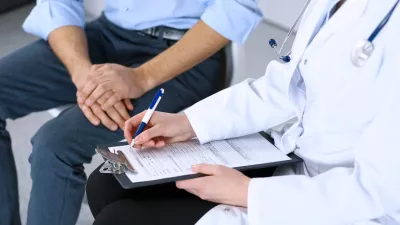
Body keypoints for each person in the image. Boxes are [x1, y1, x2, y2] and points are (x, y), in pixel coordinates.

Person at [86, 0, 400, 224]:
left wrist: (249, 193)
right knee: (109, 181)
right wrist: (188, 123)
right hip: (297, 156)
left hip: (349, 202)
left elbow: (379, 191)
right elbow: (285, 85)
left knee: (122, 218)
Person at [0, 0, 263, 225]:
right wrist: (84, 76)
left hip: (187, 52)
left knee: (54, 145)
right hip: (108, 34)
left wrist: (141, 78)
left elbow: (235, 8)